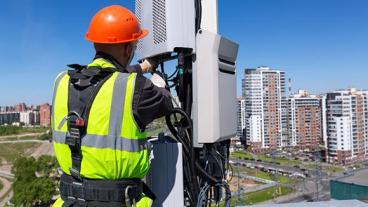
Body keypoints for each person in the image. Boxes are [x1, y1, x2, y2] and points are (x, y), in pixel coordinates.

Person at [51, 5, 172, 207]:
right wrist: (160, 83)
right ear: (128, 48)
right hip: (118, 201)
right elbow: (165, 102)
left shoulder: (62, 81)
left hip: (68, 200)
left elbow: (100, 79)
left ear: (95, 44)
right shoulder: (138, 88)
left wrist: (140, 68)